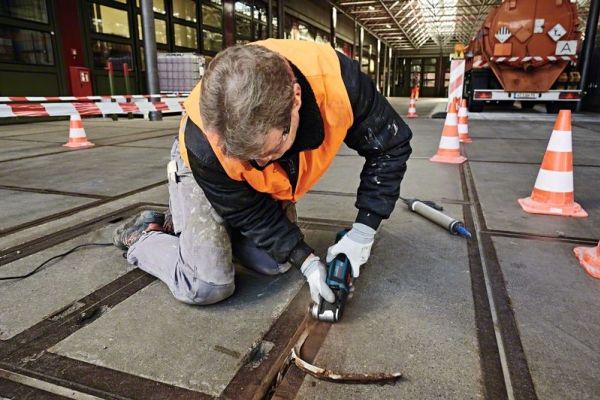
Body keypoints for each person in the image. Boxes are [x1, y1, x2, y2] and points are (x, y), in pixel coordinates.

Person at [113, 39, 412, 306]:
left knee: (276, 262)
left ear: (296, 99)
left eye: (271, 150)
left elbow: (390, 147)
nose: (261, 165)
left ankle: (201, 227)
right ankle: (144, 236)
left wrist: (362, 233)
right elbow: (246, 209)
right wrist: (306, 260)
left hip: (236, 178)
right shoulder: (204, 142)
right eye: (248, 157)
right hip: (207, 173)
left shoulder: (340, 83)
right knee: (206, 284)